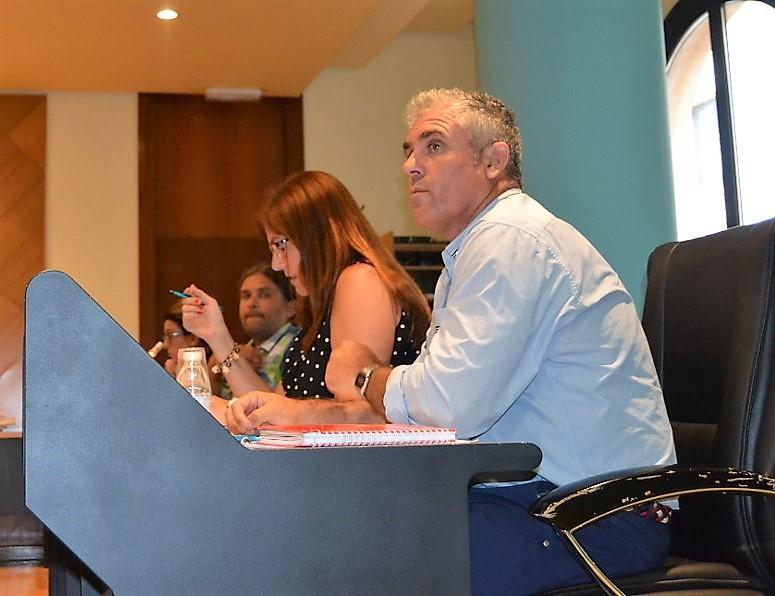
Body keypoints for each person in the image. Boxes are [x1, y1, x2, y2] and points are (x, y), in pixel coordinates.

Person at [227, 88, 677, 594]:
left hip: (598, 515)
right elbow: (433, 405)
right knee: (340, 530)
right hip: (541, 497)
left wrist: (365, 375)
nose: (411, 166)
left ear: (493, 161)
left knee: (358, 558)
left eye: (434, 146)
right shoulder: (474, 255)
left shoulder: (513, 240)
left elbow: (446, 407)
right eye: (409, 151)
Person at [182, 170, 431, 406]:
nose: (276, 264)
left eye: (281, 245)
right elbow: (273, 406)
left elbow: (358, 412)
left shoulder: (359, 280)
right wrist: (217, 336)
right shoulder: (323, 307)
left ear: (317, 236)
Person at [209, 263, 298, 399]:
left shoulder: (300, 347)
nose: (252, 303)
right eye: (246, 296)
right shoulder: (241, 351)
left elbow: (277, 407)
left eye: (264, 295)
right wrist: (214, 367)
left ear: (291, 308)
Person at [160, 301, 208, 377]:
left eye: (171, 335)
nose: (165, 345)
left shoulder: (216, 369)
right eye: (165, 336)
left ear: (193, 338)